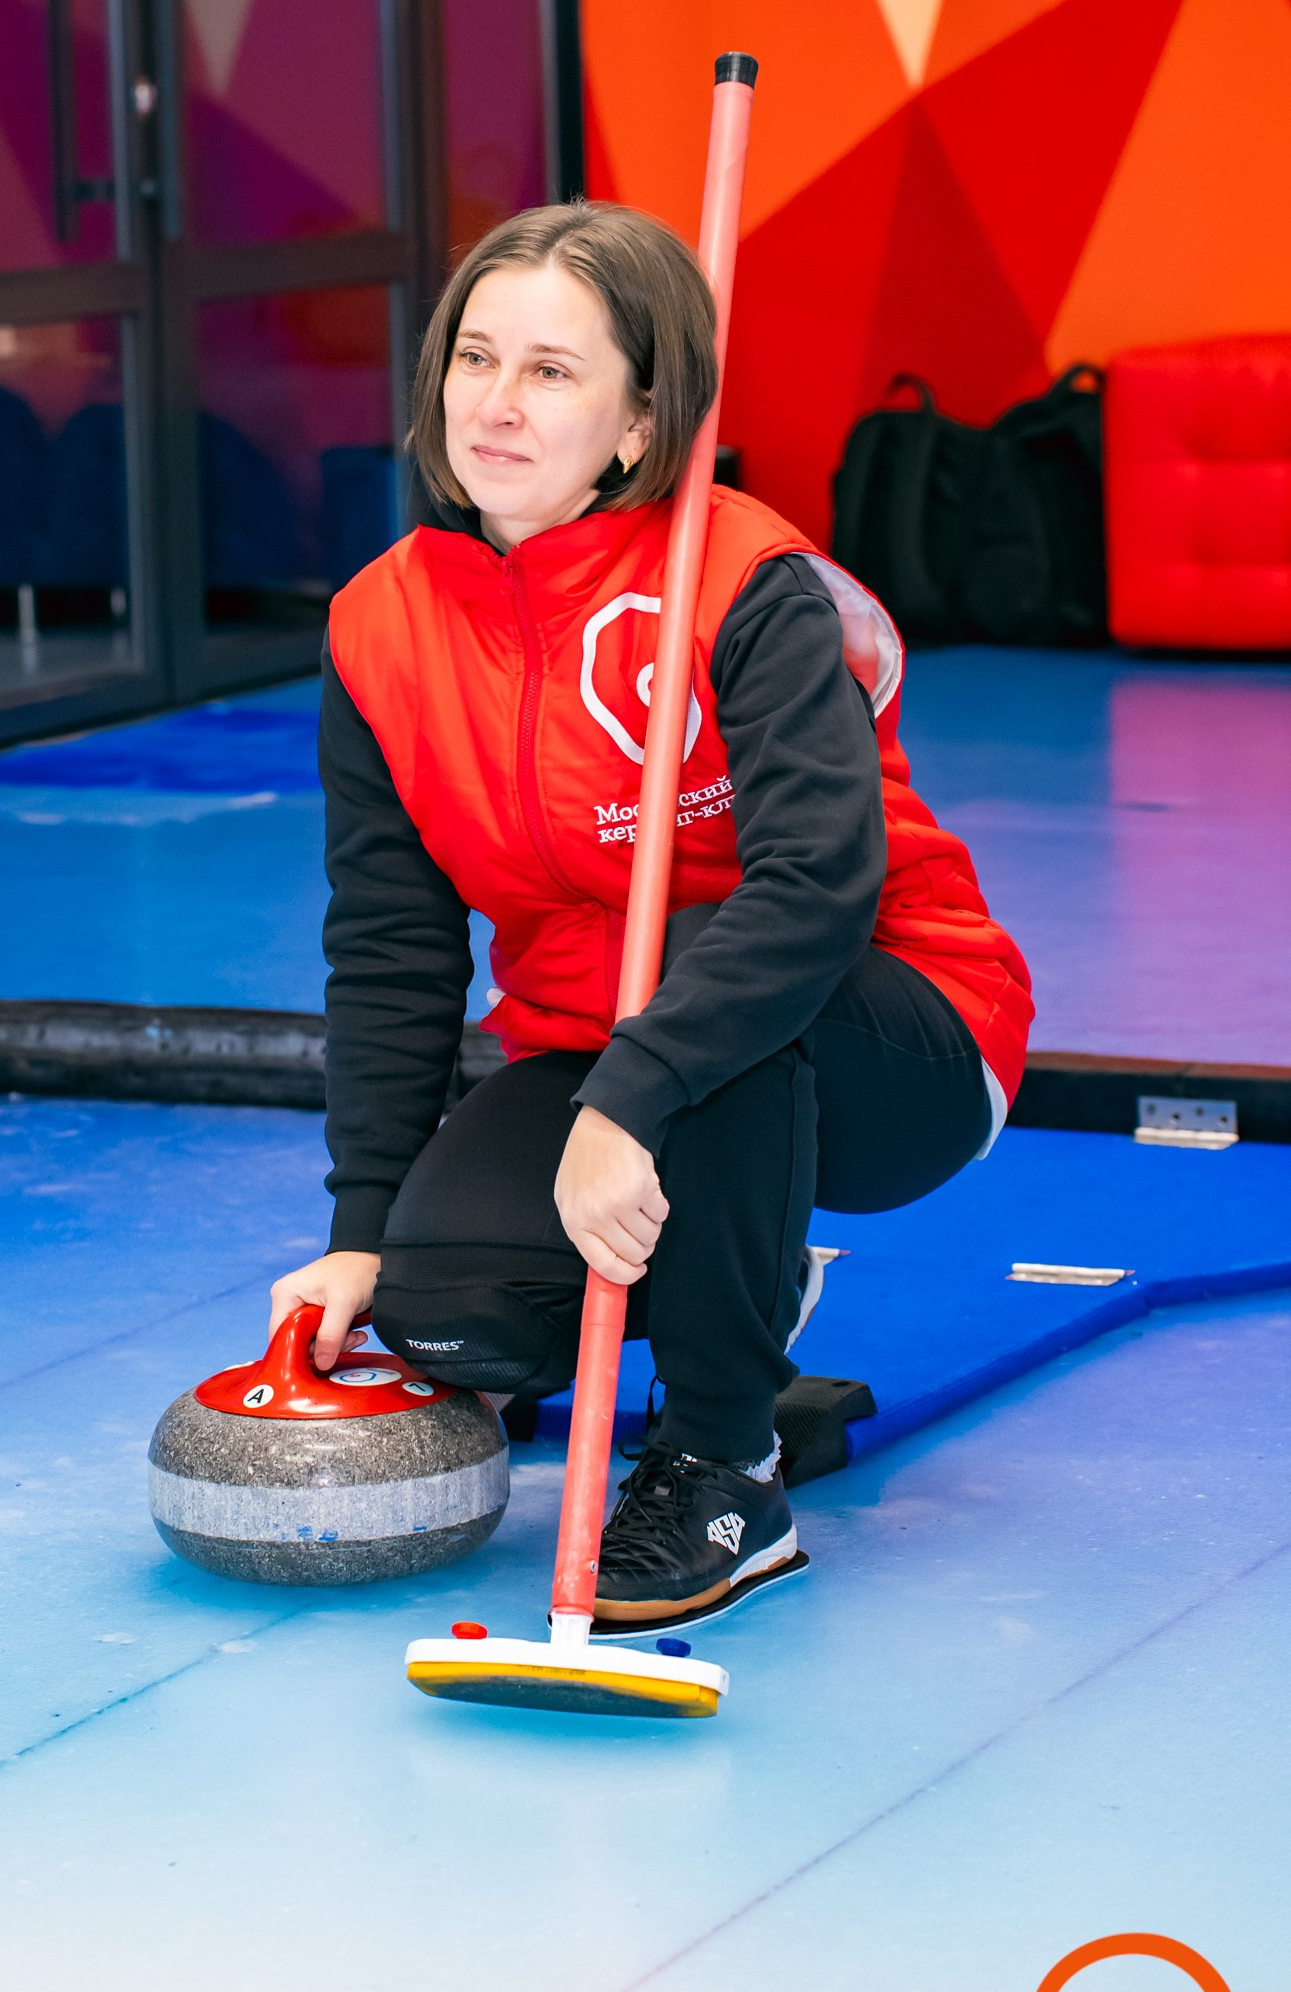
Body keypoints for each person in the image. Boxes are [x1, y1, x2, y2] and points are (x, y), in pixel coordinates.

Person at [269, 202, 1032, 1631]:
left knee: (705, 963)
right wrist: (362, 1227)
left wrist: (635, 1092)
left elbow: (816, 890)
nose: (497, 402)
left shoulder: (745, 579)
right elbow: (390, 947)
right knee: (454, 1311)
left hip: (895, 1030)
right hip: (599, 1038)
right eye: (476, 358)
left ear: (637, 422)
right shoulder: (380, 625)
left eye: (552, 370)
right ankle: (740, 1274)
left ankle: (727, 1469)